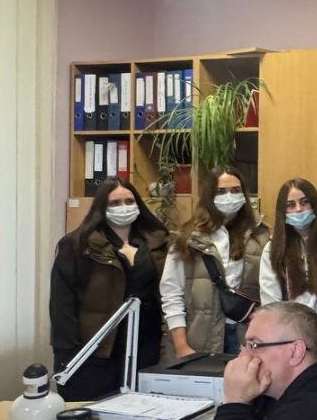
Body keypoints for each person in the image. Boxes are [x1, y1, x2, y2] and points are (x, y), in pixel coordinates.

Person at [50, 177, 169, 401]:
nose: (124, 208)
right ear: (101, 207)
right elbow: (61, 305)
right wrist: (67, 353)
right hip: (96, 350)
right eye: (115, 203)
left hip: (147, 345)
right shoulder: (77, 245)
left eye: (129, 201)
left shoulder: (159, 243)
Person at [161, 166, 270, 357]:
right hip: (199, 336)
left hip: (246, 335)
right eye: (221, 191)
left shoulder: (261, 235)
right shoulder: (187, 237)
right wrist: (181, 345)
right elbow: (171, 292)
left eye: (235, 190)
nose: (229, 197)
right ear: (209, 196)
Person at [215, 302, 317, 420]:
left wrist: (235, 403)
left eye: (254, 345)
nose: (242, 356)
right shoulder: (305, 393)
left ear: (295, 352)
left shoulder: (315, 411)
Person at [259, 179, 317, 320]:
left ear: (315, 204)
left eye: (305, 202)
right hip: (292, 327)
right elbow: (270, 300)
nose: (298, 209)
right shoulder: (274, 248)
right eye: (290, 205)